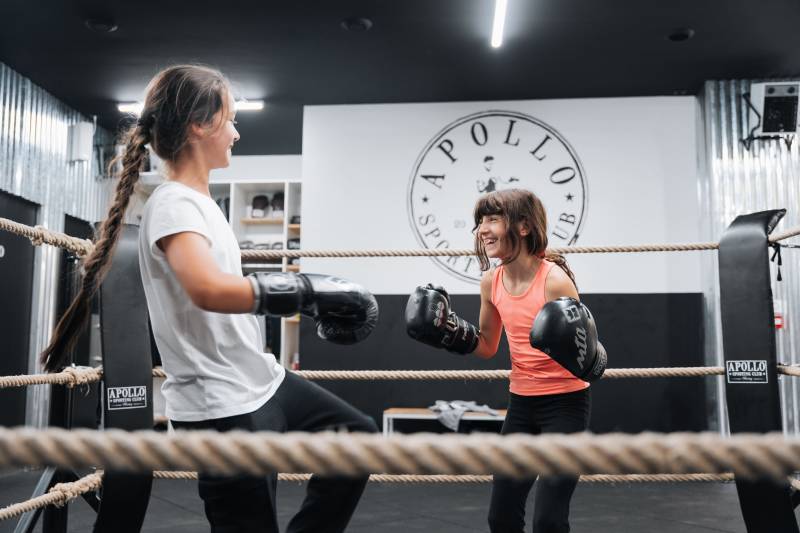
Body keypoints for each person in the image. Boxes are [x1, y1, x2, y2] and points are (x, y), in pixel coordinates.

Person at [41, 64, 379, 533]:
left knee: (357, 438)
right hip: (221, 407)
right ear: (200, 125)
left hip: (262, 382)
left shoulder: (199, 205)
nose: (237, 133)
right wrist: (304, 290)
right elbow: (207, 290)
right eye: (231, 119)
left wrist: (298, 290)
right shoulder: (173, 203)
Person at [405, 188, 606, 533]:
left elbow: (589, 356)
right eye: (480, 221)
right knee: (501, 517)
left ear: (524, 226)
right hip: (522, 405)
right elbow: (486, 345)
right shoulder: (490, 282)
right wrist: (448, 332)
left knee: (549, 521)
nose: (482, 229)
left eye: (493, 219)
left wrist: (587, 355)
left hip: (566, 405)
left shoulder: (555, 282)